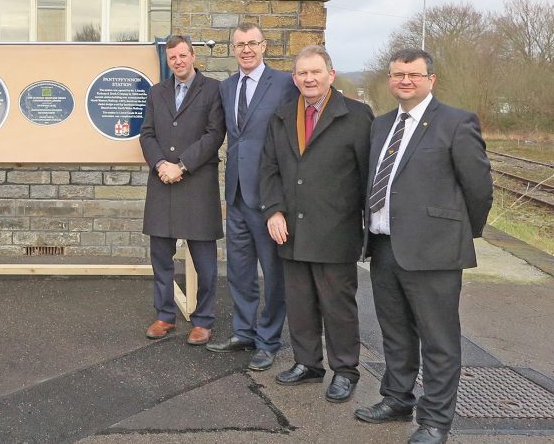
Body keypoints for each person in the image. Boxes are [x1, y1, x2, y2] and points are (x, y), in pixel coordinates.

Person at [354, 48, 493, 444]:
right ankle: (397, 398)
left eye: (413, 74)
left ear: (431, 79)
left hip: (434, 251)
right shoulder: (381, 125)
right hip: (384, 246)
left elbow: (479, 189)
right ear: (389, 79)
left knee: (438, 341)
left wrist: (455, 234)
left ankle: (435, 421)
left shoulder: (456, 122)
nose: (405, 80)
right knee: (395, 331)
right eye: (398, 74)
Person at [260, 45, 372, 403]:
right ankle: (307, 363)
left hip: (336, 231)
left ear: (331, 75)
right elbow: (269, 169)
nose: (309, 79)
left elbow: (369, 177)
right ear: (295, 79)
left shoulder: (357, 116)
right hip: (291, 229)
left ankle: (345, 371)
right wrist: (273, 211)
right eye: (303, 73)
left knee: (338, 306)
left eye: (316, 72)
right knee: (300, 303)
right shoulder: (281, 117)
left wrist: (368, 230)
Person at [208, 23, 298, 371]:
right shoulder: (227, 86)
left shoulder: (285, 84)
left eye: (252, 43)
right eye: (240, 44)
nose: (246, 49)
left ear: (264, 46)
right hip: (235, 194)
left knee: (273, 273)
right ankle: (243, 332)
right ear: (233, 49)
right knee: (240, 269)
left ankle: (268, 340)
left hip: (268, 195)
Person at [139, 35, 226, 344]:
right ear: (168, 60)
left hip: (197, 183)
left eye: (182, 55)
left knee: (204, 261)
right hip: (162, 182)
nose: (178, 61)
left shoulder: (213, 89)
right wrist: (160, 164)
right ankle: (165, 316)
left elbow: (214, 134)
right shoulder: (156, 92)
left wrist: (183, 165)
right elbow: (147, 134)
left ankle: (203, 320)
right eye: (172, 57)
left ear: (193, 56)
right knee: (161, 256)